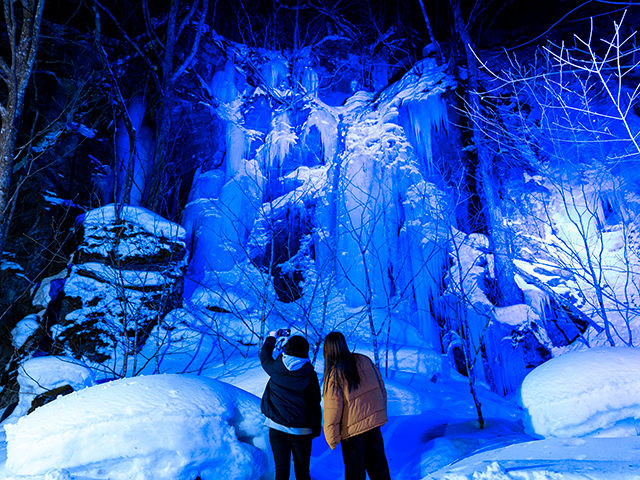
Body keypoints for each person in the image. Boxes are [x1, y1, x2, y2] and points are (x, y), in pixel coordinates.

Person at [322, 331, 391, 480]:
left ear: (327, 351)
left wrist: (332, 438)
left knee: (355, 474)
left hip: (352, 433)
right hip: (373, 426)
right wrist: (380, 411)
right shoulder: (364, 360)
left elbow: (332, 410)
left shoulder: (334, 375)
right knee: (379, 470)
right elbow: (380, 388)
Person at [260, 329, 321, 480]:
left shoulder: (275, 368)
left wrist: (271, 337)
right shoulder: (310, 375)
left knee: (281, 472)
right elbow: (315, 404)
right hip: (302, 432)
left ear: (286, 349)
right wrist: (316, 429)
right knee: (302, 473)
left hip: (277, 428)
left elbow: (264, 355)